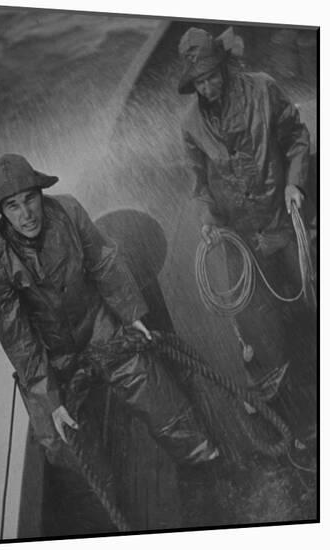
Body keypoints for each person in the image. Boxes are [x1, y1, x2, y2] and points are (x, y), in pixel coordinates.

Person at [0, 153, 219, 470]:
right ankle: (102, 502)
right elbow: (20, 342)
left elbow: (104, 263)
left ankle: (203, 458)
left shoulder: (68, 210)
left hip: (98, 328)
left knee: (149, 381)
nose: (26, 214)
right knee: (58, 441)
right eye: (13, 206)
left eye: (30, 199)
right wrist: (50, 400)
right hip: (50, 357)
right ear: (2, 212)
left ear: (40, 193)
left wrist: (132, 315)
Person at [177, 27, 316, 441]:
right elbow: (199, 182)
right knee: (260, 328)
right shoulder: (189, 125)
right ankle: (296, 411)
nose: (208, 86)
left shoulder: (263, 90)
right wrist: (206, 218)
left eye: (212, 76)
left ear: (225, 65)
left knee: (312, 292)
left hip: (280, 218)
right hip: (237, 237)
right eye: (199, 82)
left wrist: (296, 182)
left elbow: (296, 137)